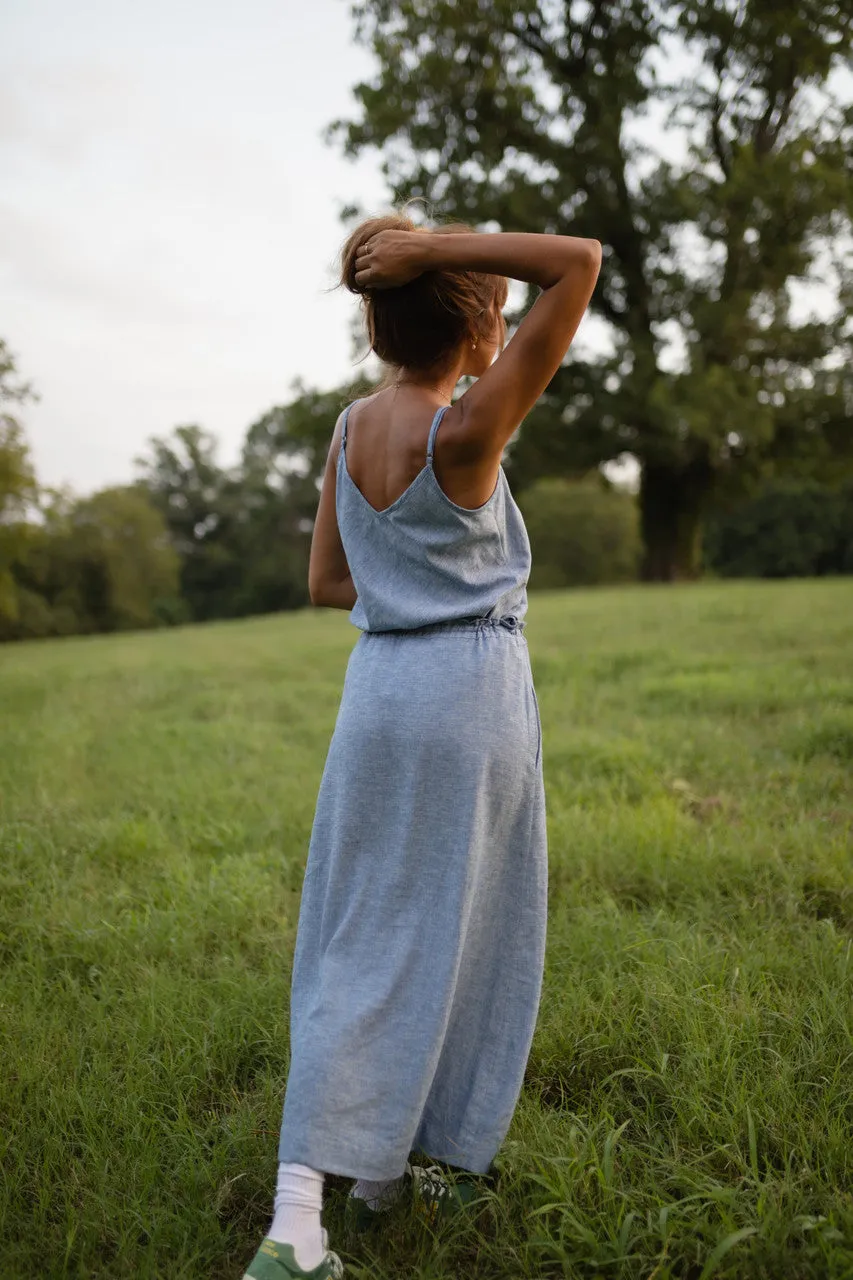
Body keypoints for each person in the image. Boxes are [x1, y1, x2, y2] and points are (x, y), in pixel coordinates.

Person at [242, 215, 602, 1280]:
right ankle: (372, 1181)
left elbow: (328, 582)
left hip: (378, 690)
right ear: (482, 326)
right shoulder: (467, 431)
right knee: (464, 928)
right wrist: (442, 244)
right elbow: (576, 262)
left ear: (375, 322)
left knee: (354, 935)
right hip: (467, 691)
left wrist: (409, 579)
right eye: (494, 307)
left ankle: (342, 1187)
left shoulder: (352, 427)